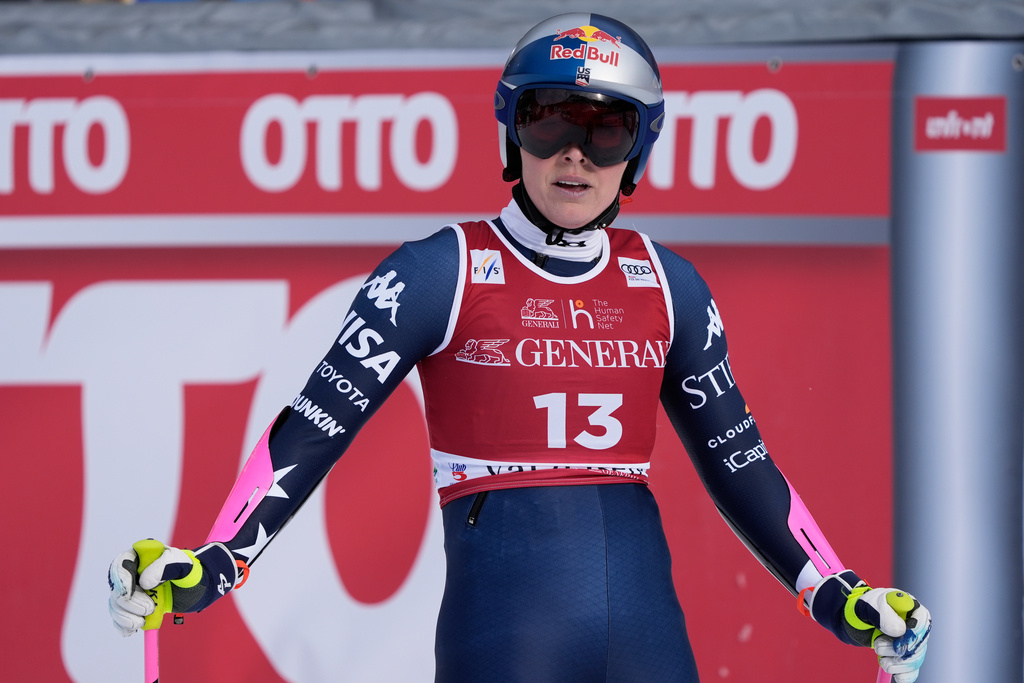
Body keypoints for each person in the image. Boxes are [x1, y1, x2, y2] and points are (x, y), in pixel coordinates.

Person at [108, 12, 931, 683]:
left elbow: (739, 462)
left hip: (646, 632)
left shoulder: (669, 283)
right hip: (506, 634)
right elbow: (314, 426)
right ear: (512, 133)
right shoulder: (441, 271)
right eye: (548, 122)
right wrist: (214, 560)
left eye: (605, 131)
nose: (575, 151)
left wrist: (836, 591)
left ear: (636, 150)